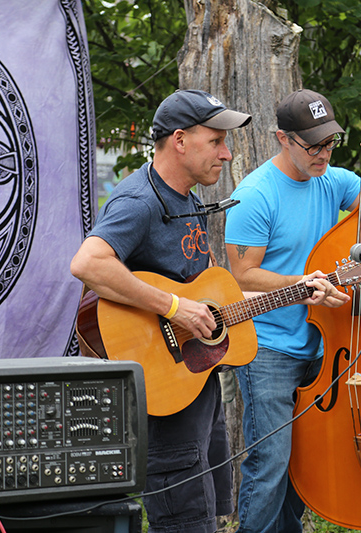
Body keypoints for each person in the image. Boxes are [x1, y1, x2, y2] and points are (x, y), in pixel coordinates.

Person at [223, 88, 361, 533]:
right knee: (270, 461)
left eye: (330, 142)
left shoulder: (335, 181)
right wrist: (302, 284)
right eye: (313, 145)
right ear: (282, 139)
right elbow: (242, 276)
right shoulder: (254, 194)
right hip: (268, 346)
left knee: (304, 463)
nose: (323, 153)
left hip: (323, 346)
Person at [70, 90, 251, 533]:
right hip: (160, 384)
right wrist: (174, 307)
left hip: (193, 374)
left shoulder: (187, 197)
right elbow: (88, 264)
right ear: (180, 140)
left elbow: (194, 280)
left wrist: (295, 292)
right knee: (183, 516)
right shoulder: (139, 201)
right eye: (216, 141)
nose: (226, 154)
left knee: (205, 506)